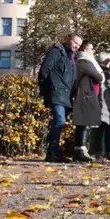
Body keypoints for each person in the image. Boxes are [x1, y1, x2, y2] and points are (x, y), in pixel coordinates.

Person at [38, 34, 82, 162]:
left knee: (60, 123)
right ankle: (53, 153)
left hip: (66, 96)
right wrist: (48, 90)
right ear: (69, 40)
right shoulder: (57, 52)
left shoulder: (73, 58)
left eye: (79, 45)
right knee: (60, 120)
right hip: (56, 92)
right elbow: (44, 71)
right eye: (75, 42)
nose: (77, 46)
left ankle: (54, 153)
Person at [72, 41, 104, 163]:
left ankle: (81, 150)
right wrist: (100, 74)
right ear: (85, 50)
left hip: (88, 95)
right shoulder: (84, 61)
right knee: (83, 123)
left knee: (86, 123)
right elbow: (99, 77)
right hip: (85, 95)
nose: (93, 51)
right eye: (91, 48)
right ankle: (80, 151)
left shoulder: (86, 61)